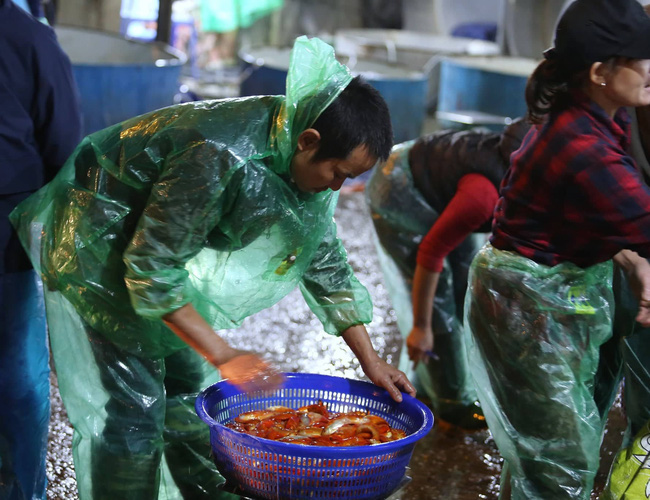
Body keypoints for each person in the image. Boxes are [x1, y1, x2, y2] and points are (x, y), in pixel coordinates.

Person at [10, 36, 415, 499]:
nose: (338, 187)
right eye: (338, 173)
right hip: (99, 236)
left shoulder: (302, 164)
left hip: (153, 246)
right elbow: (152, 270)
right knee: (134, 409)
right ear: (309, 141)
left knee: (188, 384)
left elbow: (325, 264)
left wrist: (372, 361)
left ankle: (204, 492)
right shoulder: (219, 153)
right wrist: (225, 354)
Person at [463, 0, 650, 498]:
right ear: (601, 72)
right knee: (560, 462)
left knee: (547, 450)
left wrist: (630, 258)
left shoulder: (595, 118)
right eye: (643, 59)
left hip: (540, 297)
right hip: (528, 310)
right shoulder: (585, 148)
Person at [365, 119, 530, 428]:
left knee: (464, 283)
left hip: (441, 182)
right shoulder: (483, 196)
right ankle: (450, 401)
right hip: (401, 191)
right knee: (438, 304)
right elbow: (430, 254)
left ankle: (438, 380)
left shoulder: (515, 176)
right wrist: (422, 327)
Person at [0, 2, 82, 499]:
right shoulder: (28, 35)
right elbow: (65, 144)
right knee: (15, 374)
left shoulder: (26, 36)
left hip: (5, 228)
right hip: (8, 229)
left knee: (16, 375)